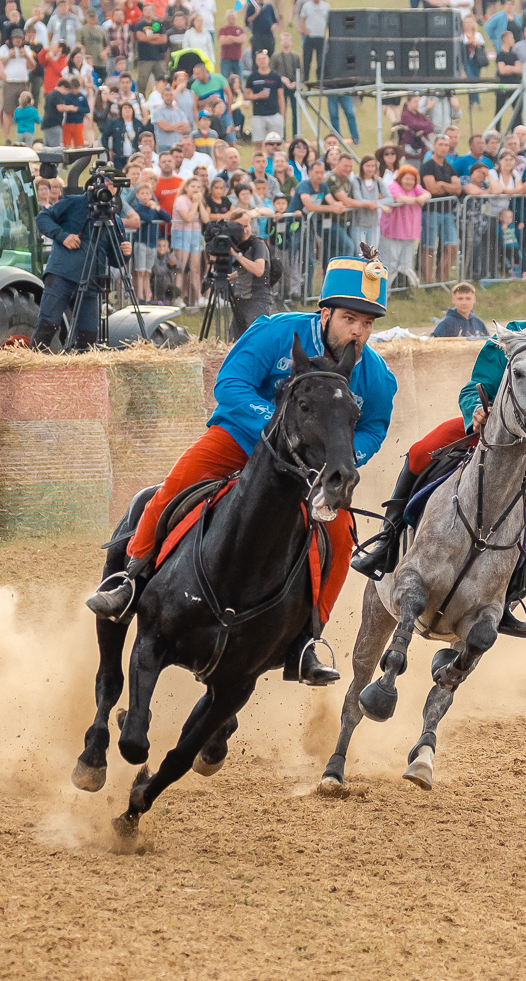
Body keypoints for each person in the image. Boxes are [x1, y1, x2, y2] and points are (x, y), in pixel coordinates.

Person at [86, 256, 400, 686]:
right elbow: (230, 386)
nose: (358, 332)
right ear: (324, 313)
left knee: (342, 536)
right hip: (239, 439)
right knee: (174, 485)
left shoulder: (375, 374)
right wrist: (275, 433)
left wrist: (341, 459)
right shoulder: (274, 333)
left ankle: (308, 641)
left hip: (307, 468)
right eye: (349, 319)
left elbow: (374, 426)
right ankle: (129, 579)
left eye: (367, 322)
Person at [353, 271, 526, 638]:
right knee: (419, 452)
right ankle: (387, 542)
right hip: (487, 433)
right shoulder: (513, 337)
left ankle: (510, 596)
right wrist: (475, 413)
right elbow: (475, 387)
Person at [33, 172, 142, 351]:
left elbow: (115, 261)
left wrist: (125, 254)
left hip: (92, 283)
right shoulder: (75, 202)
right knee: (47, 327)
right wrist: (63, 236)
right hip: (62, 275)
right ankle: (34, 374)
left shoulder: (114, 220)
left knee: (89, 337)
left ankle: (82, 377)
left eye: (114, 185)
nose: (109, 188)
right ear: (95, 184)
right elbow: (42, 218)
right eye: (106, 183)